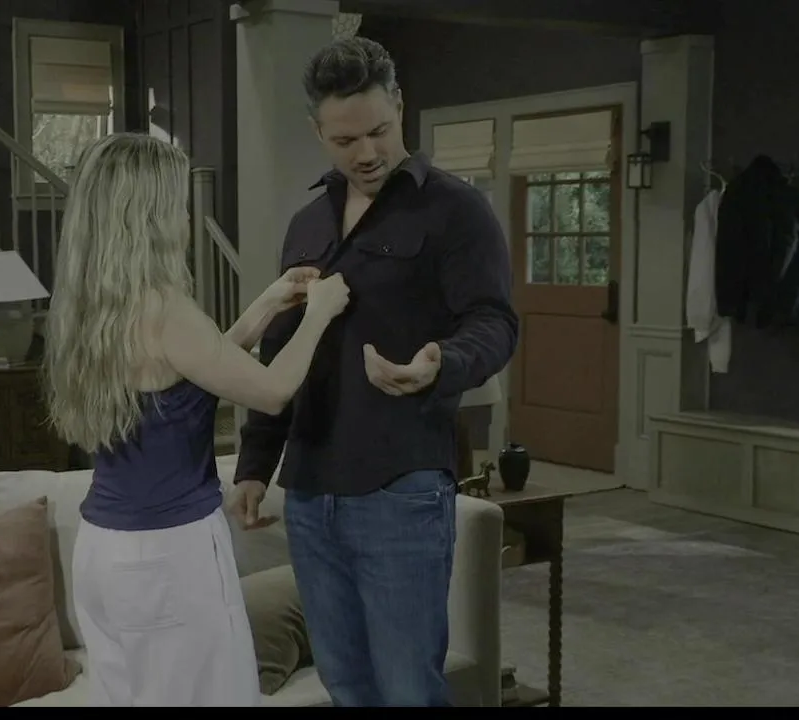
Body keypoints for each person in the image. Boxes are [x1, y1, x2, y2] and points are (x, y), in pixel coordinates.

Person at [228, 37, 519, 707]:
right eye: (345, 139)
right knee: (345, 686)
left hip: (401, 489)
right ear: (318, 133)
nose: (366, 152)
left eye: (379, 131)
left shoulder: (457, 211)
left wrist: (442, 361)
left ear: (399, 106)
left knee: (408, 690)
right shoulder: (307, 223)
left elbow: (495, 321)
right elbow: (282, 348)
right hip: (309, 492)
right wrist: (254, 463)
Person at [44, 132, 351, 707]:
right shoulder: (166, 310)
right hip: (168, 554)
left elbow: (193, 373)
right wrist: (320, 315)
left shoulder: (91, 307)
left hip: (105, 554)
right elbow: (272, 392)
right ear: (151, 218)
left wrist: (266, 304)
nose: (186, 220)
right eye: (179, 206)